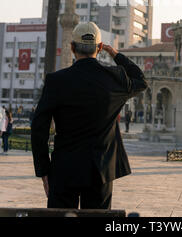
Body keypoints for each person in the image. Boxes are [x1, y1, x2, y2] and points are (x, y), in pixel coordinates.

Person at [31, 21, 147, 209]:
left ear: (72, 47)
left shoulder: (56, 81)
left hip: (64, 169)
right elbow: (141, 80)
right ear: (100, 48)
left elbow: (39, 128)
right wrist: (115, 54)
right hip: (100, 170)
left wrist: (43, 171)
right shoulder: (115, 78)